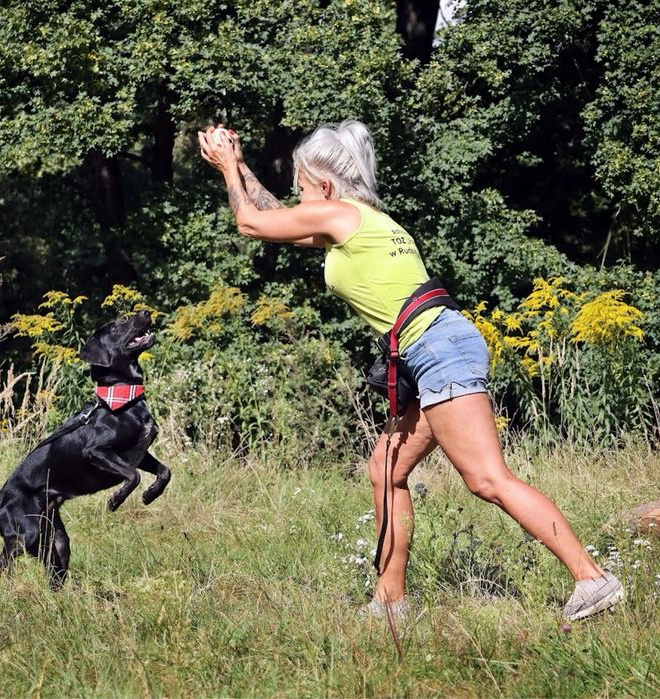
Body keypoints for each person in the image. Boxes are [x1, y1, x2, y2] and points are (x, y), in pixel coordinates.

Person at [197, 119, 624, 622]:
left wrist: (227, 169)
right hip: (432, 347)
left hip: (438, 349)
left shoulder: (340, 216)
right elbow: (277, 219)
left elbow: (251, 224)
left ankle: (592, 579)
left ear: (326, 188)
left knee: (487, 479)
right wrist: (243, 166)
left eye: (302, 186)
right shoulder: (362, 220)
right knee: (385, 469)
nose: (297, 196)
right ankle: (390, 600)